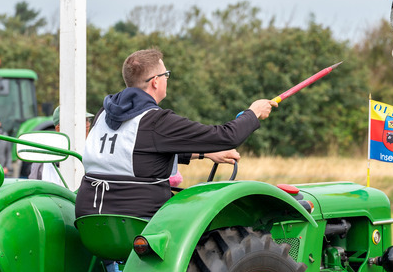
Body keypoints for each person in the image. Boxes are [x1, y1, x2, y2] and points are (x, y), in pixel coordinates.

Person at [75, 48, 274, 219]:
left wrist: (205, 153)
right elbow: (226, 137)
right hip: (136, 219)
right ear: (155, 82)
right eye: (166, 75)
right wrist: (253, 113)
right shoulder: (156, 121)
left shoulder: (104, 113)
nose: (167, 80)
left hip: (89, 216)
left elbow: (137, 153)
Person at [28, 106, 94, 187]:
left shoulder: (92, 155)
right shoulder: (43, 160)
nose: (87, 123)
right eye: (80, 122)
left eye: (87, 120)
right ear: (58, 128)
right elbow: (33, 187)